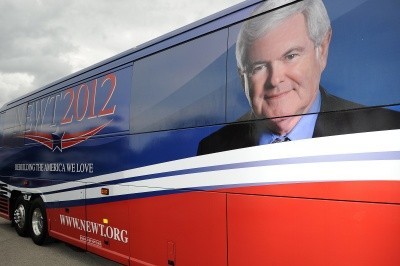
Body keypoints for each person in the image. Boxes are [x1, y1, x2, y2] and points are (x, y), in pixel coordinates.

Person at [197, 0, 400, 155]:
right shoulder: (213, 148)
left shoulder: (388, 131)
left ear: (322, 50)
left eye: (291, 56)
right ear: (243, 78)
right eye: (258, 67)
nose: (275, 80)